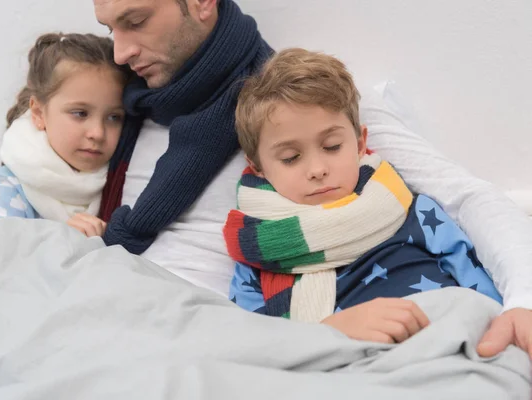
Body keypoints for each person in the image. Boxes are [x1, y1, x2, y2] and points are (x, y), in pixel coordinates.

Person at [93, 0, 532, 357]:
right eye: (113, 30)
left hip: (225, 350)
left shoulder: (309, 108)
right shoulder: (126, 115)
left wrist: (522, 302)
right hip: (117, 321)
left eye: (137, 21)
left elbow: (469, 199)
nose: (120, 52)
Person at [223, 48, 501, 342]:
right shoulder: (256, 255)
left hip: (450, 342)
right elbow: (255, 349)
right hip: (351, 373)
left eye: (332, 146)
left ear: (359, 145)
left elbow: (486, 304)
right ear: (259, 168)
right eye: (291, 157)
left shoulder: (413, 211)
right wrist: (330, 333)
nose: (317, 169)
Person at [0, 32, 130, 237]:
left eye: (114, 117)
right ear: (38, 112)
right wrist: (62, 240)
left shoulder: (122, 178)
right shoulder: (16, 182)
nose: (97, 133)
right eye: (80, 113)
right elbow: (2, 253)